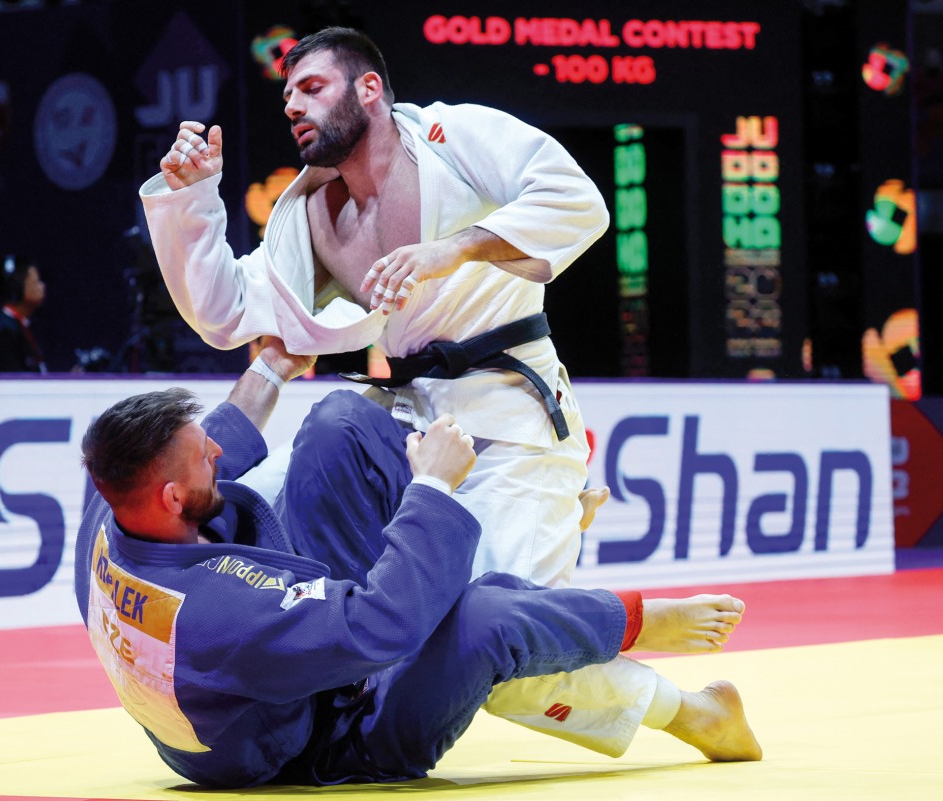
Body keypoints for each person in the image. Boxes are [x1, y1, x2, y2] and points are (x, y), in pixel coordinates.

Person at [139, 26, 684, 755]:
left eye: (312, 88)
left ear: (369, 89)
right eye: (287, 96)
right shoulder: (311, 215)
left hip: (508, 421)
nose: (293, 107)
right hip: (410, 424)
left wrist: (455, 248)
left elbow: (578, 202)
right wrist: (191, 199)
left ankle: (684, 704)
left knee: (503, 659)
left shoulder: (451, 135)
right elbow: (226, 310)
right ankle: (331, 685)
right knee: (283, 480)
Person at [73, 338, 761, 788]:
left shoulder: (110, 514)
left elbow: (223, 432)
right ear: (170, 497)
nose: (216, 454)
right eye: (201, 462)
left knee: (339, 423)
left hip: (264, 681)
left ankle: (507, 548)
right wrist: (432, 485)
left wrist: (275, 361)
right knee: (484, 615)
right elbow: (383, 627)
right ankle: (657, 657)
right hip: (334, 737)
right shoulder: (221, 612)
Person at [0, 254, 46, 372]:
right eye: (36, 282)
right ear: (17, 288)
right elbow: (14, 385)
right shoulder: (4, 332)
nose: (42, 287)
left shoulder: (21, 325)